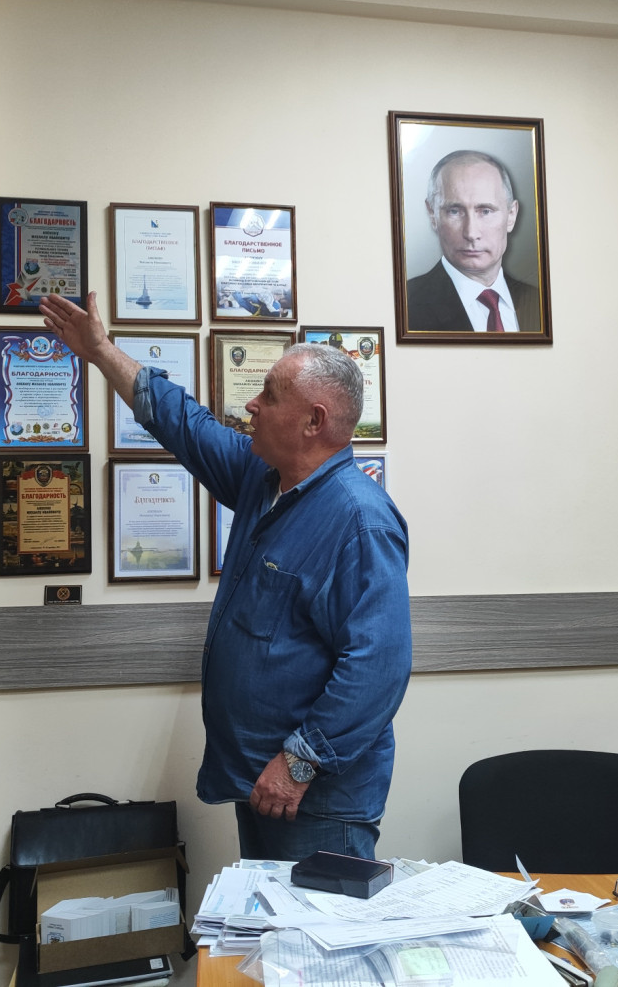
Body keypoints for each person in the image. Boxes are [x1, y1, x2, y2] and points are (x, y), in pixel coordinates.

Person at [38, 291, 412, 861]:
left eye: (269, 395)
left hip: (316, 798)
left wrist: (297, 763)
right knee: (266, 940)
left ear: (314, 421)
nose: (252, 405)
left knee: (313, 948)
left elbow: (378, 667)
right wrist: (101, 351)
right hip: (264, 783)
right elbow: (181, 421)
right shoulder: (262, 478)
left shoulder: (359, 520)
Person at [406, 149, 541, 333]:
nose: (471, 233)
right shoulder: (406, 303)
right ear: (432, 215)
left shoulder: (540, 302)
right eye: (454, 211)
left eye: (485, 211)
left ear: (511, 215)